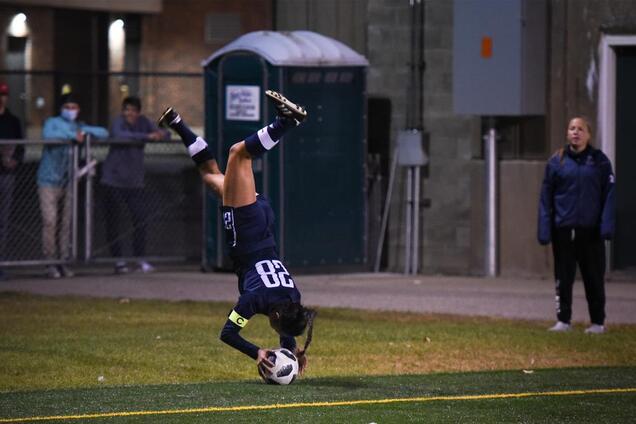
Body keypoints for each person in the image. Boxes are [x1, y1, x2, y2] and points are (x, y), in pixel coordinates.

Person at [158, 90, 316, 375]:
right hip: (247, 228)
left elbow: (284, 321)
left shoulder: (293, 296)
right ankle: (287, 122)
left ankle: (177, 123)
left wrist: (291, 349)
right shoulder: (252, 301)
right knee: (238, 154)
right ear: (276, 316)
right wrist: (257, 352)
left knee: (210, 176)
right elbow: (228, 333)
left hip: (262, 223)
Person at [538, 116, 615, 334]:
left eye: (580, 129)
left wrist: (606, 226)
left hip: (590, 232)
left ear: (588, 134)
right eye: (572, 128)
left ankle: (598, 322)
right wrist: (544, 229)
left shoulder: (599, 161)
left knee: (594, 278)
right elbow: (546, 197)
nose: (576, 132)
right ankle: (563, 320)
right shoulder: (557, 161)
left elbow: (609, 195)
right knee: (563, 278)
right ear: (567, 132)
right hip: (563, 231)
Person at [38, 90, 108, 278]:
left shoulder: (80, 125)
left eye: (74, 107)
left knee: (66, 223)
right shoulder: (52, 123)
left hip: (68, 181)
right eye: (67, 107)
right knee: (50, 221)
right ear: (61, 109)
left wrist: (82, 132)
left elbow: (103, 132)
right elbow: (48, 135)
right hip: (48, 180)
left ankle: (63, 261)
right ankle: (49, 262)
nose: (70, 110)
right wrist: (72, 135)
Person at [101, 96, 169, 274]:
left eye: (132, 110)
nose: (128, 114)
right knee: (114, 221)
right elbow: (120, 135)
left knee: (140, 219)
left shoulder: (143, 121)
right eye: (126, 110)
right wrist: (146, 137)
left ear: (138, 112)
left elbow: (164, 134)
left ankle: (139, 259)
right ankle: (118, 260)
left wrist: (159, 134)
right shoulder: (118, 123)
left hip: (134, 182)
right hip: (113, 180)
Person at [0, 82, 24, 281]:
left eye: (4, 95)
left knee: (3, 221)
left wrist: (14, 160)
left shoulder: (13, 121)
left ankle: (1, 263)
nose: (2, 98)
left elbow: (21, 146)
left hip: (7, 175)